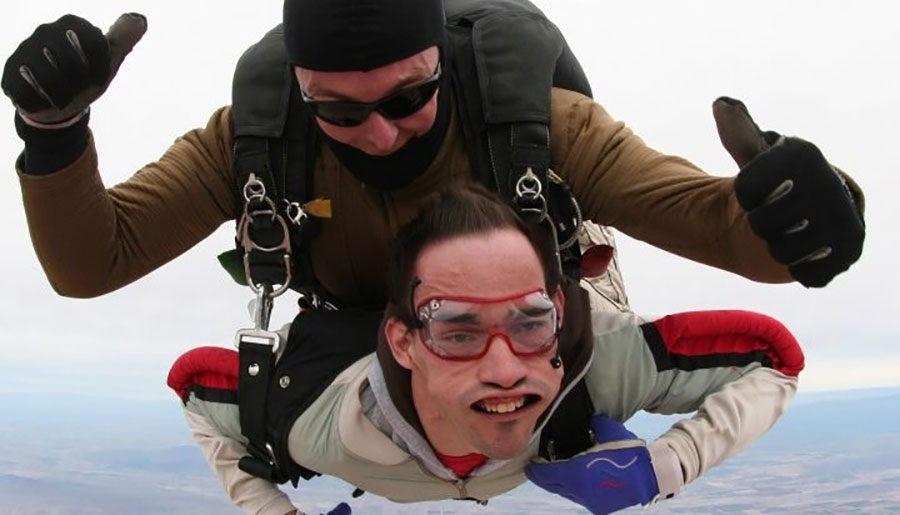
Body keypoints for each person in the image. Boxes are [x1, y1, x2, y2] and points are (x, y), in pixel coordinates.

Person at [3, 0, 865, 315]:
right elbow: (90, 264)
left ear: (440, 65)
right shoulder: (256, 135)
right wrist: (54, 138)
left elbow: (720, 227)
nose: (379, 132)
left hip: (527, 336)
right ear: (300, 86)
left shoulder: (534, 119)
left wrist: (821, 214)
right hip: (362, 340)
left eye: (408, 98)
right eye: (337, 109)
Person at [167, 185, 805, 515]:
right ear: (404, 343)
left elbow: (774, 359)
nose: (504, 370)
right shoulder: (305, 414)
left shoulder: (599, 365)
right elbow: (194, 393)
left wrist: (663, 469)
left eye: (531, 324)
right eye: (458, 333)